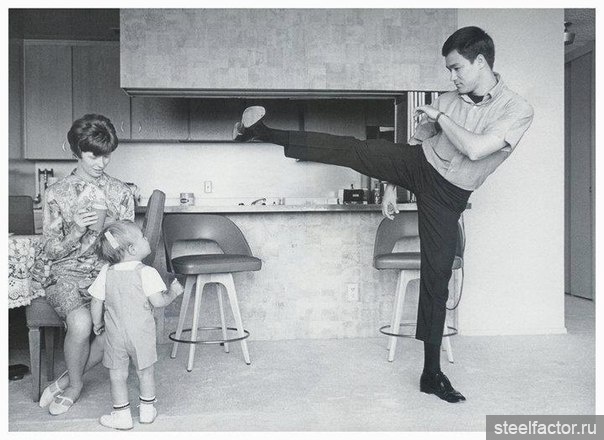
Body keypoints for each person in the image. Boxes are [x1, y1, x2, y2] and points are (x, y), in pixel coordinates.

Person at [233, 26, 534, 403]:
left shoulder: (516, 109)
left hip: (449, 193)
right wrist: (393, 184)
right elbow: (418, 139)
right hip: (417, 163)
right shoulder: (448, 98)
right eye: (448, 70)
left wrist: (441, 117)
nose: (452, 77)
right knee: (352, 149)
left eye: (456, 68)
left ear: (480, 62)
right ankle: (260, 131)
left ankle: (431, 373)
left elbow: (476, 149)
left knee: (436, 277)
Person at [32, 114, 135, 415]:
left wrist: (115, 229)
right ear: (77, 150)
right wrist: (76, 230)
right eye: (94, 156)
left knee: (116, 328)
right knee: (80, 323)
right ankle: (75, 387)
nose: (102, 163)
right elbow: (51, 250)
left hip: (105, 274)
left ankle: (66, 379)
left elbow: (130, 247)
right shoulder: (56, 193)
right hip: (64, 274)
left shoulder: (121, 192)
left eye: (107, 155)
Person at [89, 221, 183, 430]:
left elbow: (96, 301)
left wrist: (97, 323)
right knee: (145, 372)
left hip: (114, 334)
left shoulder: (106, 271)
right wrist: (173, 293)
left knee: (117, 374)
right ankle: (147, 411)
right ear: (132, 249)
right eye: (143, 236)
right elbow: (158, 302)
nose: (147, 238)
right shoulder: (146, 272)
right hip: (141, 334)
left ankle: (122, 415)